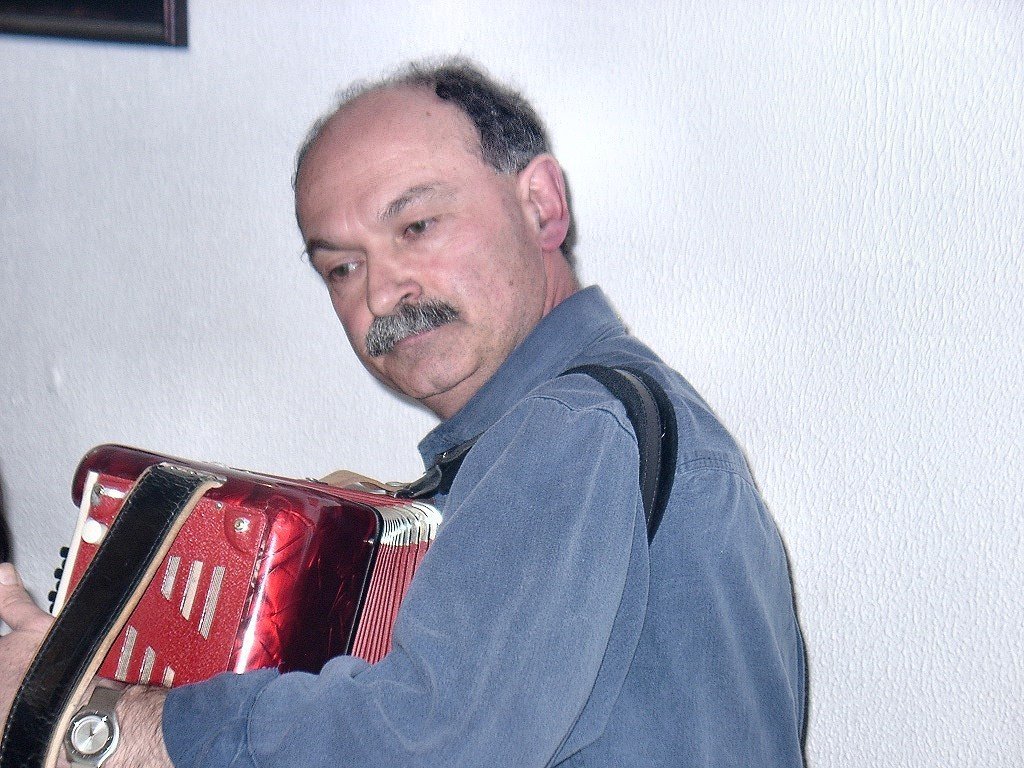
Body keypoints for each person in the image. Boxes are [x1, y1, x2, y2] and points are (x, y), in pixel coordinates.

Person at [0, 59, 806, 767]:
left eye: (416, 226)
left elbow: (424, 744)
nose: (383, 293)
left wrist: (99, 723)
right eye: (342, 268)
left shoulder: (570, 431)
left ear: (542, 205)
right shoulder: (585, 422)